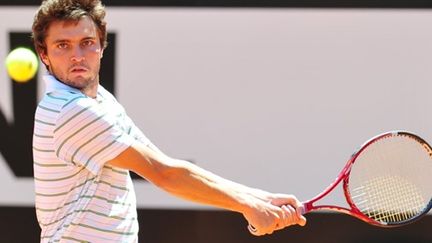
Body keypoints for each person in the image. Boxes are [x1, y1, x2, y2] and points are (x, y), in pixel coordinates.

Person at [31, 0, 306, 242]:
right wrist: (250, 207)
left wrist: (260, 199)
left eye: (87, 42)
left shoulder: (101, 101)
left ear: (102, 46)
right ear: (44, 55)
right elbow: (163, 174)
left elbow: (169, 165)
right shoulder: (71, 111)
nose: (77, 55)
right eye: (62, 46)